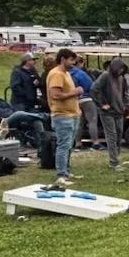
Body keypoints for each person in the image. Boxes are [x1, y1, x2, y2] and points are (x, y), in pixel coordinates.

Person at [46, 49, 83, 184]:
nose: (73, 63)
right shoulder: (57, 74)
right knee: (63, 145)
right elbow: (55, 95)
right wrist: (75, 92)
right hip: (62, 115)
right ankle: (61, 174)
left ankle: (66, 171)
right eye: (71, 60)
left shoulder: (66, 73)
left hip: (72, 114)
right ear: (62, 59)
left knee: (68, 145)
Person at [0, 83, 47, 147]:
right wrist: (0, 118)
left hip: (11, 119)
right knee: (18, 114)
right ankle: (44, 116)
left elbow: (10, 108)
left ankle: (42, 145)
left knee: (36, 120)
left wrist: (11, 113)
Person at [90, 58, 129, 170]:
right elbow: (94, 89)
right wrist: (101, 104)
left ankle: (116, 157)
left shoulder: (121, 78)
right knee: (111, 135)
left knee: (119, 134)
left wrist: (124, 104)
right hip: (107, 112)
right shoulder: (105, 76)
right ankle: (114, 162)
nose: (121, 71)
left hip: (119, 111)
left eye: (122, 69)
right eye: (120, 69)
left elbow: (125, 92)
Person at [69, 56, 101, 150]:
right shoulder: (81, 73)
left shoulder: (67, 74)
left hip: (75, 100)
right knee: (92, 121)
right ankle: (95, 142)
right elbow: (90, 85)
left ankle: (78, 143)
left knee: (79, 123)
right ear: (81, 63)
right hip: (87, 99)